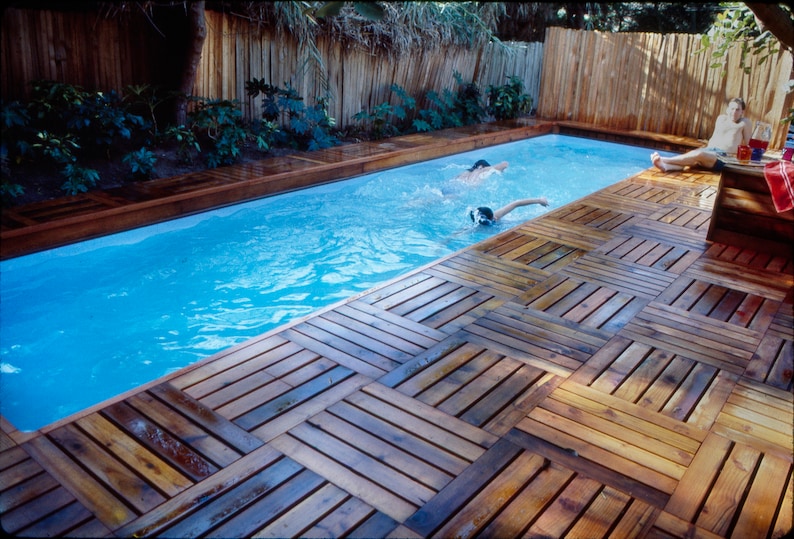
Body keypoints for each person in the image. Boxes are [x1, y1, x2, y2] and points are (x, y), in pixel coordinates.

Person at [650, 97, 752, 172]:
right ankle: (666, 166)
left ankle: (665, 159)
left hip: (724, 157)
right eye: (732, 109)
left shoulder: (744, 123)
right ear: (727, 109)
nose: (734, 112)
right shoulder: (721, 119)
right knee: (692, 162)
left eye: (737, 109)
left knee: (698, 154)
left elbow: (749, 145)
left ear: (742, 111)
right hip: (709, 151)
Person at [470, 197, 549, 225]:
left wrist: (539, 200)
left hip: (507, 224)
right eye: (493, 217)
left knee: (526, 221)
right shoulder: (477, 227)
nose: (495, 218)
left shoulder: (497, 215)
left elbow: (516, 203)